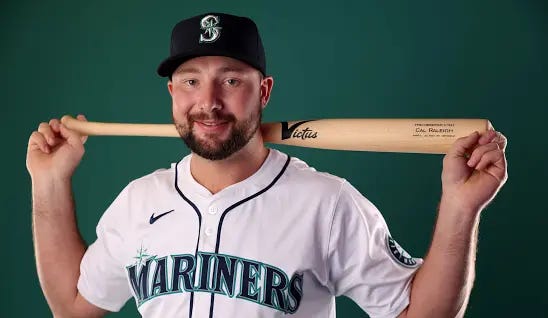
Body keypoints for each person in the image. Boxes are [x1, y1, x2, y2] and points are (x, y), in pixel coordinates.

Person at [26, 12, 508, 318]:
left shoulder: (328, 202)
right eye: (190, 82)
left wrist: (460, 209)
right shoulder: (138, 201)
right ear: (172, 95)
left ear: (264, 91)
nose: (208, 102)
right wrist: (48, 183)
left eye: (230, 80)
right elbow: (74, 306)